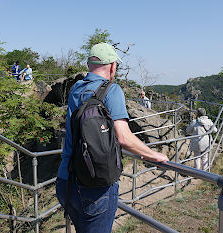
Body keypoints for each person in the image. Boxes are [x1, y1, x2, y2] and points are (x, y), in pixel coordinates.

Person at [56, 43, 169, 233]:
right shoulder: (112, 90)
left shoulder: (76, 88)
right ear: (112, 65)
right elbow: (123, 137)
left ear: (89, 64)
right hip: (94, 188)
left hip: (65, 181)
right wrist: (152, 154)